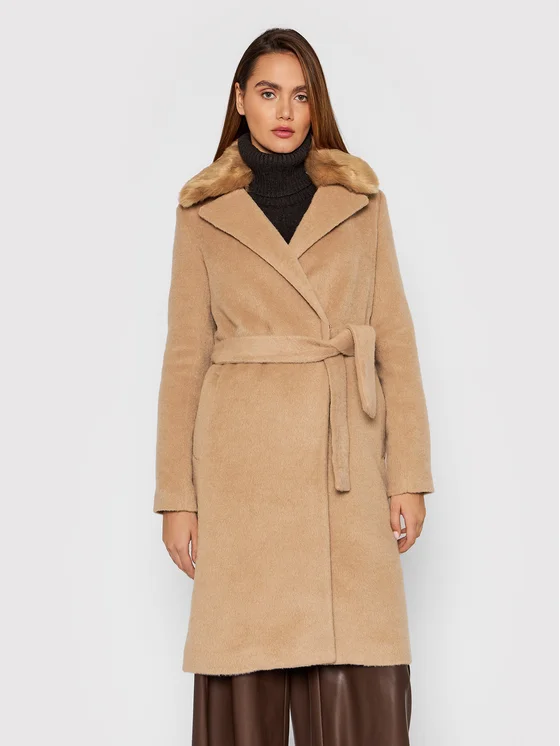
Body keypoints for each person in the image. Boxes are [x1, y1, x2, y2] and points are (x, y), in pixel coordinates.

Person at [153, 27, 435, 746]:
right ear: (239, 100)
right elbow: (185, 359)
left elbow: (395, 344)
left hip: (345, 468)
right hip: (242, 472)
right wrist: (177, 497)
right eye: (269, 92)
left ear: (317, 106)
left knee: (360, 669)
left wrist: (408, 477)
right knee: (243, 663)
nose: (285, 110)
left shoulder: (360, 201)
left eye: (301, 95)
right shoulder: (202, 212)